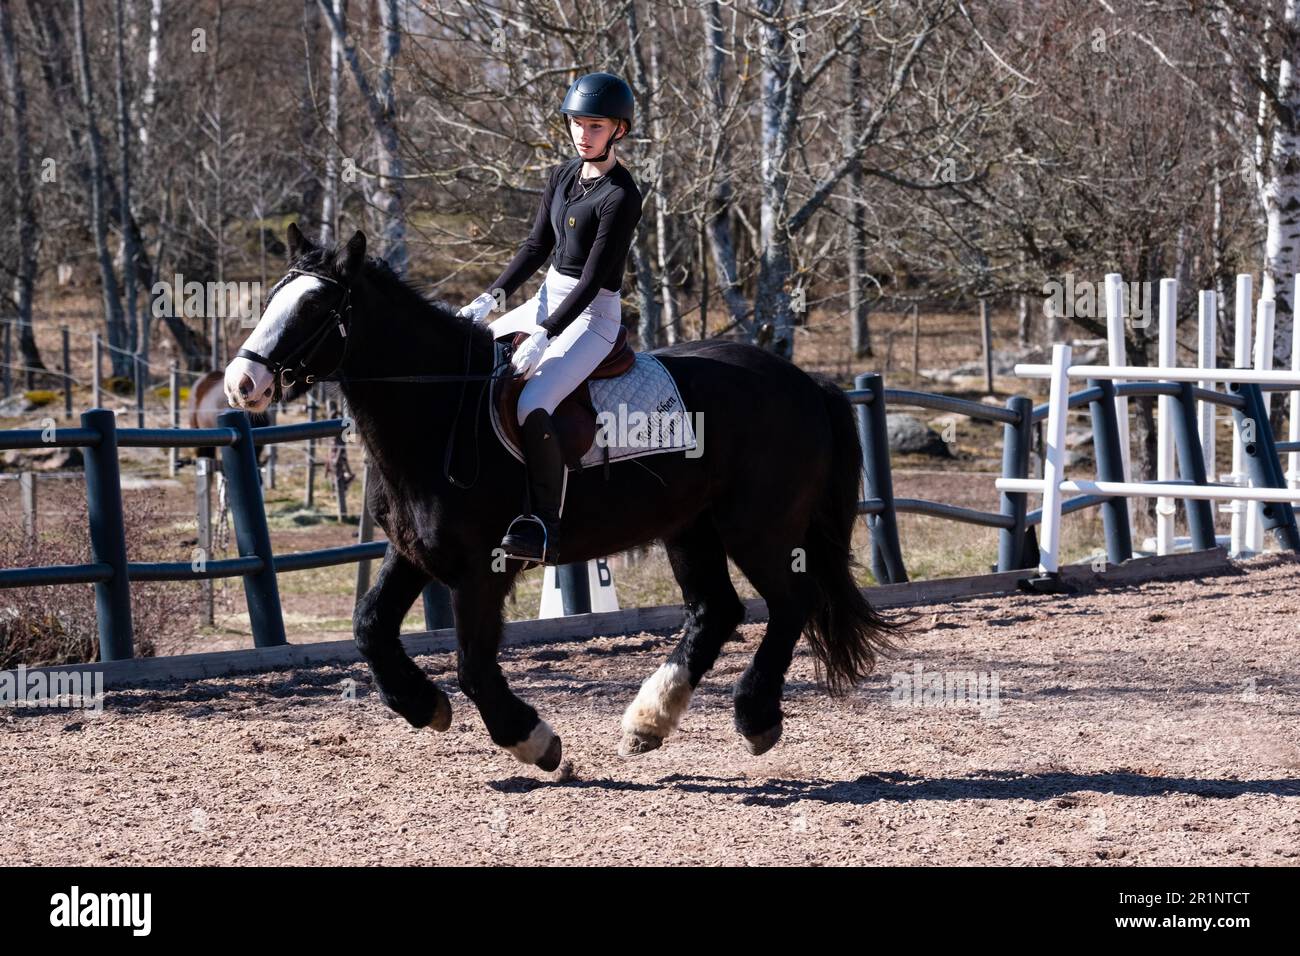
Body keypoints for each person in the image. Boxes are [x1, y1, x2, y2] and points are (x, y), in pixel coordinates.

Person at [457, 72, 643, 564]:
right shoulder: (562, 176)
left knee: (534, 400)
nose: (583, 134)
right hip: (545, 300)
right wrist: (490, 297)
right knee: (470, 362)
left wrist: (545, 334)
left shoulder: (621, 196)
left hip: (592, 318)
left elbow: (591, 281)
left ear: (618, 130)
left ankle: (544, 524)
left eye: (595, 125)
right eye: (577, 124)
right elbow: (536, 246)